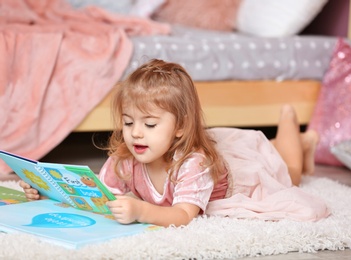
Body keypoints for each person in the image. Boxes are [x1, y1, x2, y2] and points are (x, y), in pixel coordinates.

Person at [20, 59, 329, 227]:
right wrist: (46, 192)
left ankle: (295, 129)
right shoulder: (126, 157)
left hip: (233, 173)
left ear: (180, 127)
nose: (136, 133)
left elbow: (183, 215)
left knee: (289, 172)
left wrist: (141, 211)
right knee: (272, 155)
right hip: (208, 150)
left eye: (150, 124)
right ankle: (295, 141)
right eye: (128, 123)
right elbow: (98, 197)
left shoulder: (194, 163)